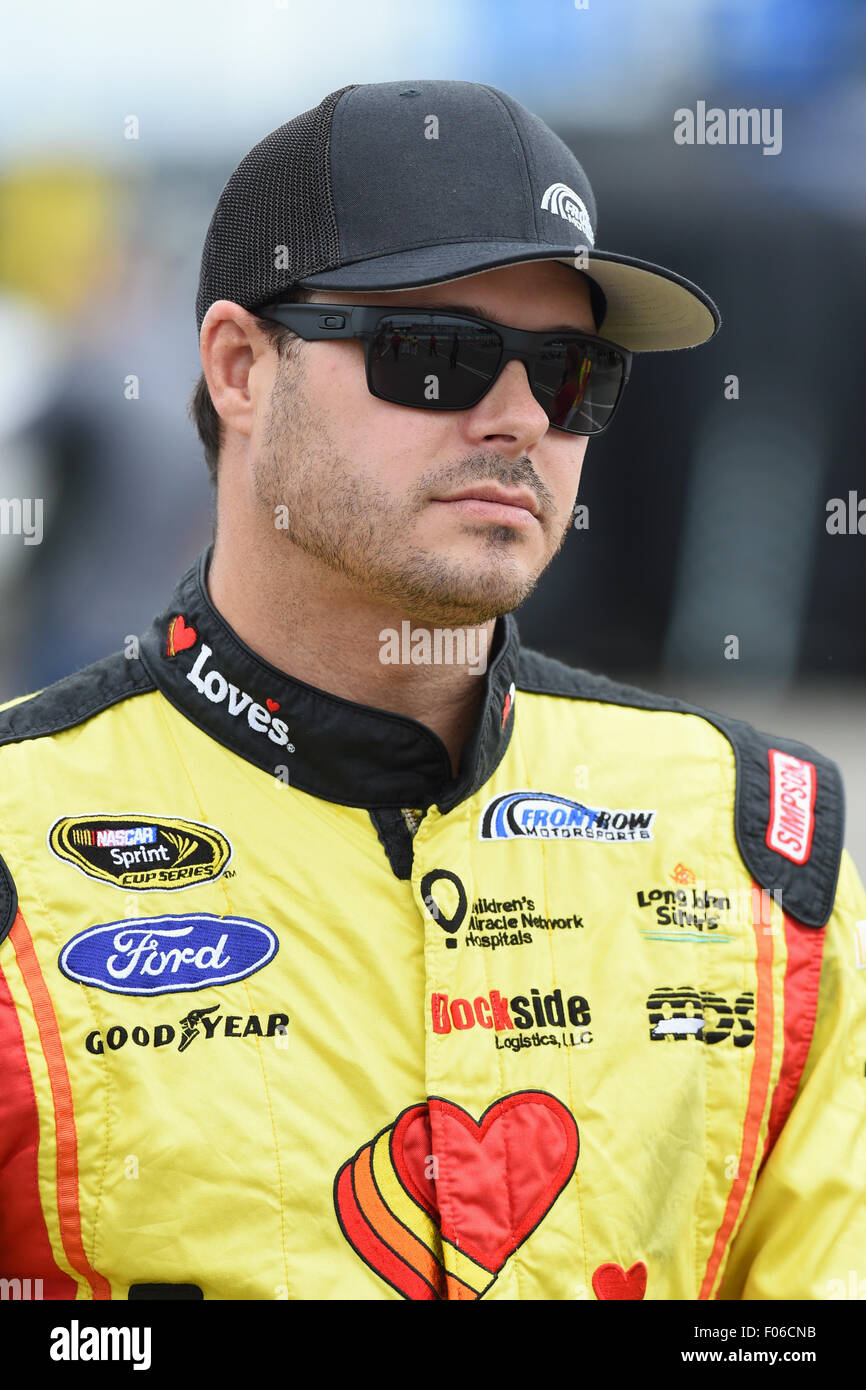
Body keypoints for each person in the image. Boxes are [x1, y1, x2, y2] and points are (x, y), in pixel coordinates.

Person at [0, 79, 863, 1303]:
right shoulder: (16, 839)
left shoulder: (752, 840)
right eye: (433, 357)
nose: (518, 418)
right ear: (241, 369)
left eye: (571, 373)